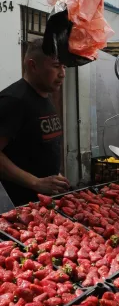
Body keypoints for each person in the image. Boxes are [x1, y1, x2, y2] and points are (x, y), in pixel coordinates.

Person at [0, 39, 69, 206]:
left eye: (64, 67)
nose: (62, 73)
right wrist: (36, 182)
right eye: (56, 66)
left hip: (45, 204)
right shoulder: (13, 101)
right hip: (19, 208)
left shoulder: (45, 97)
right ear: (33, 66)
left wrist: (54, 175)